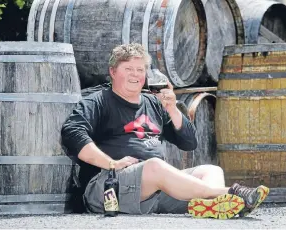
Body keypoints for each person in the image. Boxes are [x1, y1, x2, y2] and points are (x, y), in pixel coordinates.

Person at [61, 43, 269, 219]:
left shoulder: (153, 103)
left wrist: (172, 109)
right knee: (154, 166)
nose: (136, 75)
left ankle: (210, 205)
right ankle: (226, 194)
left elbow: (189, 143)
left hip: (154, 192)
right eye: (129, 69)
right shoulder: (99, 101)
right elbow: (72, 133)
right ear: (113, 72)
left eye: (140, 70)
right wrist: (111, 163)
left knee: (211, 170)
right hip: (110, 188)